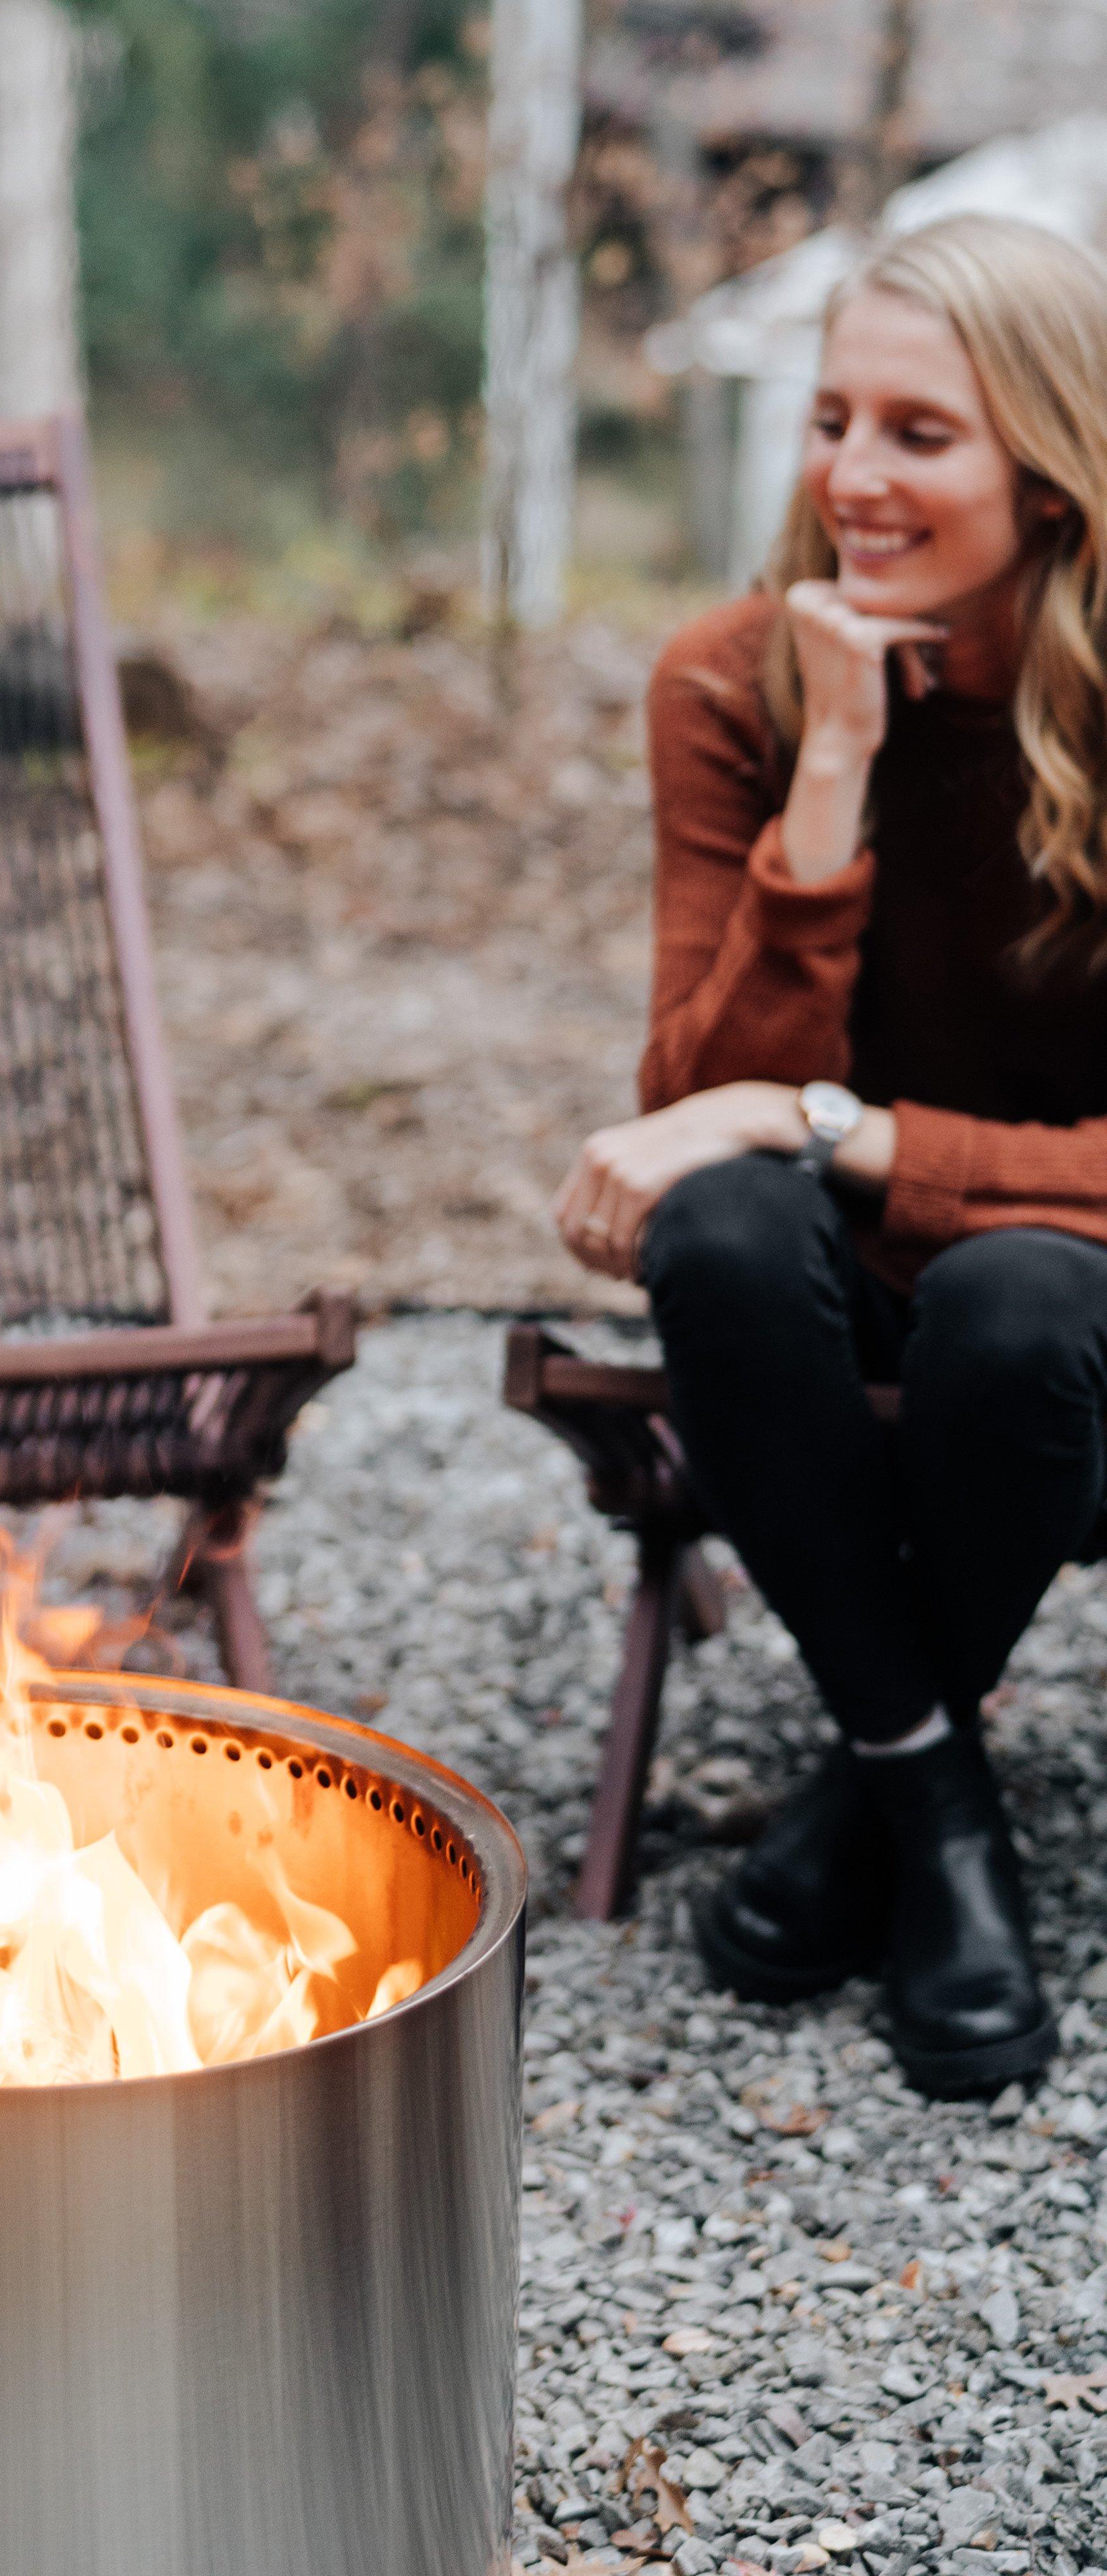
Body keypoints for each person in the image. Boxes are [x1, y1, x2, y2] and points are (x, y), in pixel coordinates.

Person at [549, 213, 1107, 2099]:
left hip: (1068, 1329)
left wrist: (832, 1127)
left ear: (1052, 468)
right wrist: (835, 770)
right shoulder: (734, 681)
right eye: (831, 419)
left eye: (920, 434)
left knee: (1022, 1299)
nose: (852, 478)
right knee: (715, 1229)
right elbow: (697, 1096)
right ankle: (939, 1817)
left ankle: (854, 1817)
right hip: (824, 1318)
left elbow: (774, 1109)